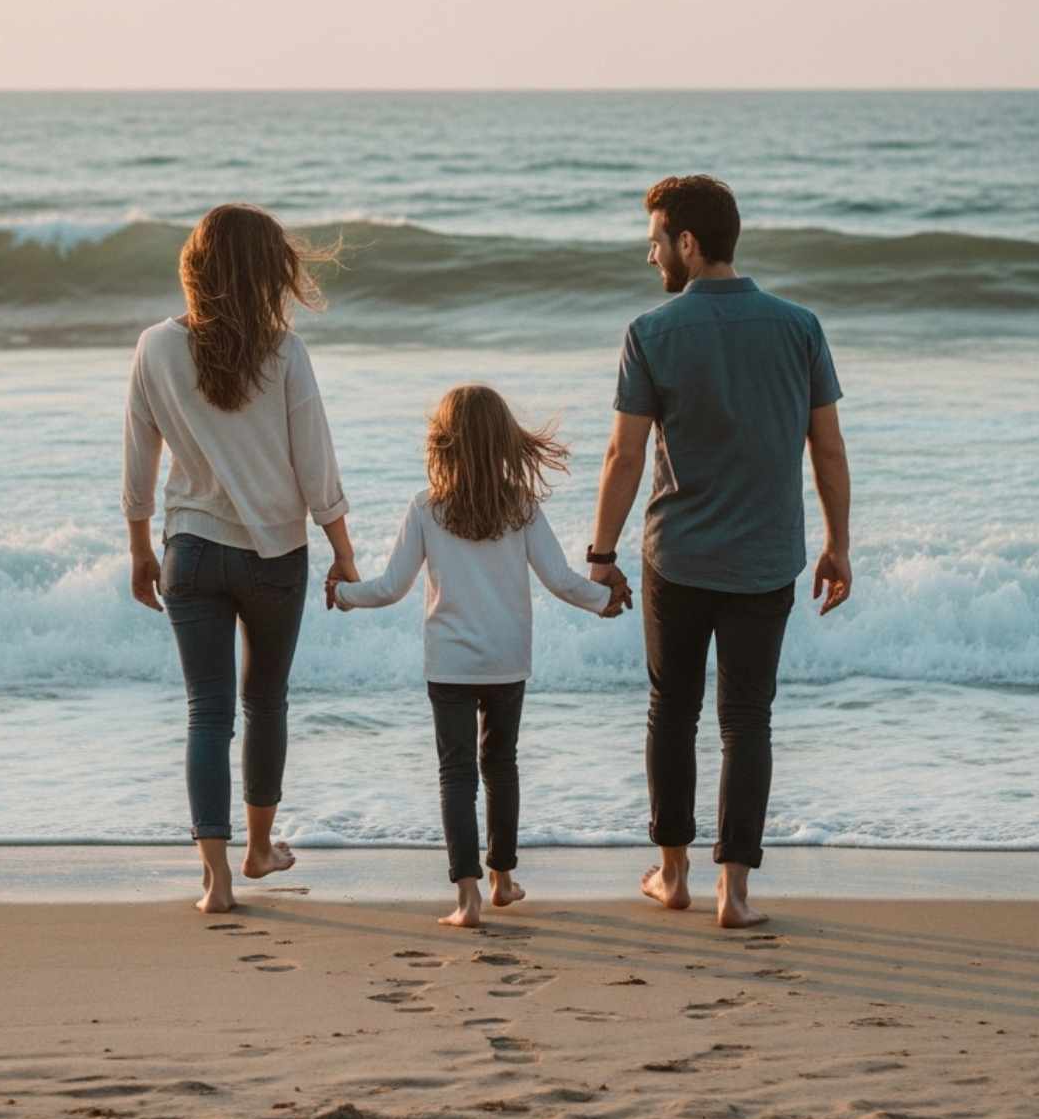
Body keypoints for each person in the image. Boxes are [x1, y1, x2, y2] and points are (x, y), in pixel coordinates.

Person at [587, 175, 852, 929]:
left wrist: (601, 555)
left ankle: (671, 875)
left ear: (689, 245)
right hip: (768, 558)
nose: (650, 256)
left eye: (656, 241)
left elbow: (623, 457)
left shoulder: (650, 333)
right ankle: (734, 891)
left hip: (677, 556)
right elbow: (828, 450)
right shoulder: (800, 327)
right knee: (748, 719)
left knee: (672, 710)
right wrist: (837, 543)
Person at [122, 203, 358, 914]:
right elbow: (316, 464)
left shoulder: (155, 347)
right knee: (264, 704)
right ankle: (258, 849)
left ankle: (216, 881)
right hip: (274, 553)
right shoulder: (284, 352)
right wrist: (344, 555)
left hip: (189, 551)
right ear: (264, 274)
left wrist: (140, 551)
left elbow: (139, 459)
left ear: (196, 268)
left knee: (207, 713)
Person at [328, 385, 627, 927]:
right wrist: (604, 600)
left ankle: (466, 899)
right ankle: (504, 880)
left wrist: (345, 595)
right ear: (504, 442)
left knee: (456, 773)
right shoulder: (521, 507)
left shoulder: (426, 508)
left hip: (449, 665)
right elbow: (559, 580)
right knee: (501, 765)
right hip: (507, 662)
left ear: (444, 444)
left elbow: (392, 587)